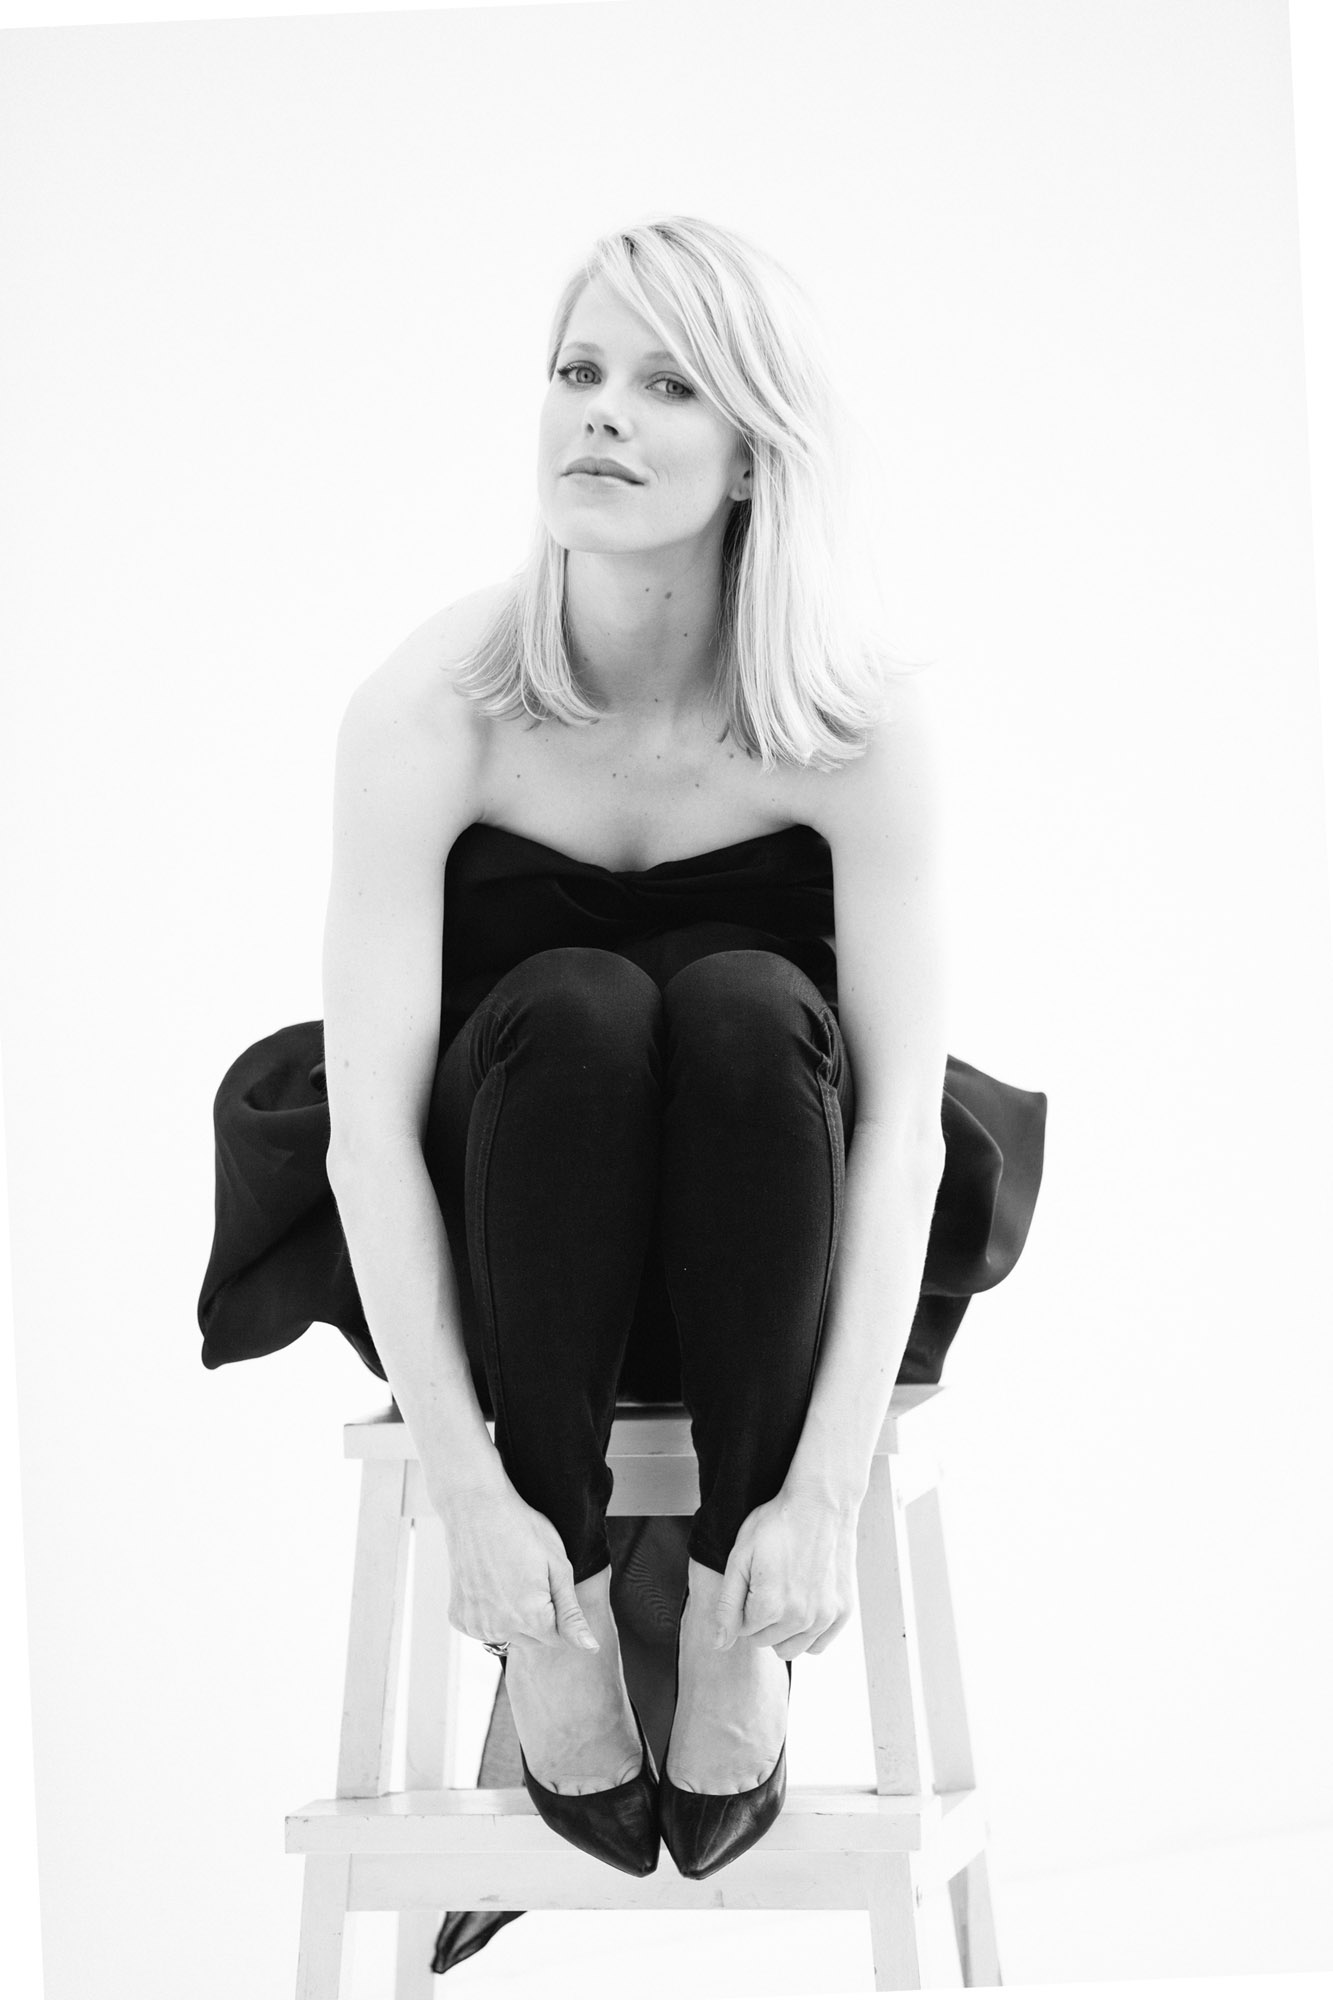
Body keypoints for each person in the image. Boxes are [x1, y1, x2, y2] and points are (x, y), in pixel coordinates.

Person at [198, 214, 1048, 1902]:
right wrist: (471, 1498)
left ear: (754, 454)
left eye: (667, 385)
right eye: (578, 370)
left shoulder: (857, 722)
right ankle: (566, 1616)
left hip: (773, 1239)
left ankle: (726, 1607)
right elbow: (369, 1133)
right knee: (581, 1002)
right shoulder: (431, 705)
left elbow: (894, 1132)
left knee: (742, 1001)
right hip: (503, 1243)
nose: (599, 409)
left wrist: (818, 1495)